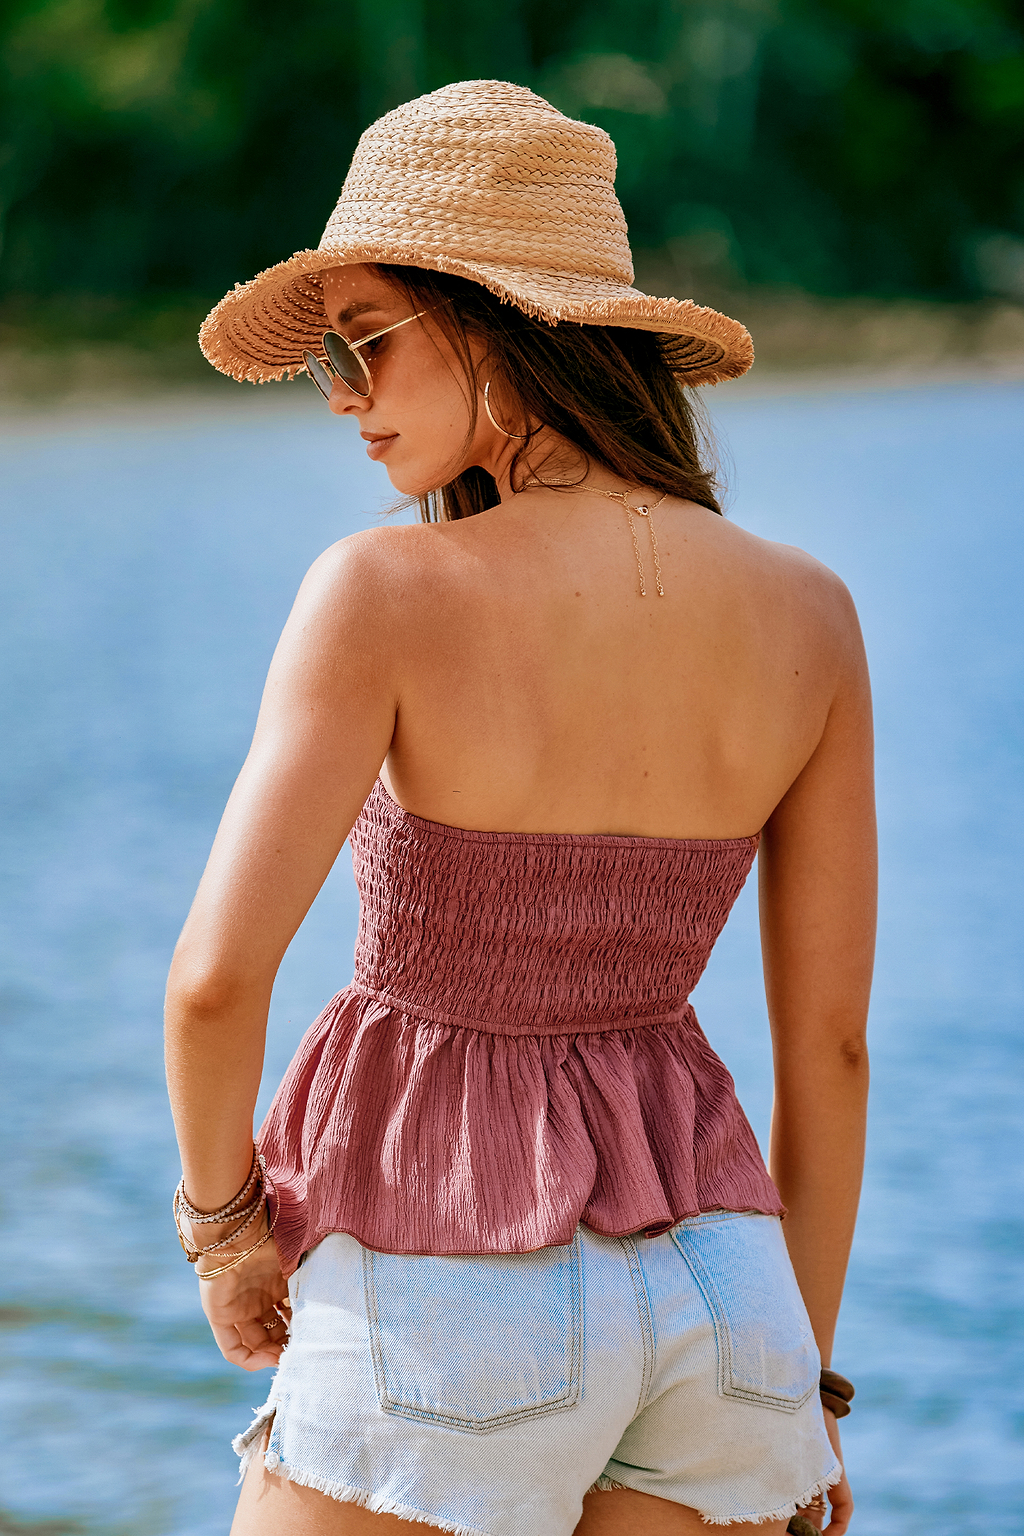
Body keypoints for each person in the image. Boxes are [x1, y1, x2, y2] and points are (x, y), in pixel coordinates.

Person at [165, 80, 873, 1536]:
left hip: (447, 1288)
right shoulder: (811, 612)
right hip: (730, 1300)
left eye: (364, 340)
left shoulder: (382, 594)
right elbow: (833, 1049)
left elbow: (214, 982)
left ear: (493, 320)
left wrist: (226, 1235)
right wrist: (800, 1386)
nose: (343, 395)